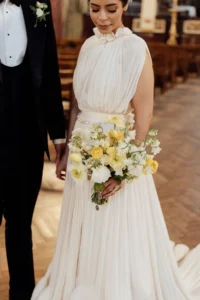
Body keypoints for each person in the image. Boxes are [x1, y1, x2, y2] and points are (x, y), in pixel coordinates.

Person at [31, 0, 200, 299]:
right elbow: (77, 106)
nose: (102, 17)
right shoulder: (88, 46)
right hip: (83, 151)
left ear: (125, 7)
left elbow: (144, 114)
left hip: (116, 152)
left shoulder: (135, 48)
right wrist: (68, 150)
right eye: (95, 9)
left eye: (111, 8)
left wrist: (126, 169)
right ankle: (81, 278)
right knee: (85, 222)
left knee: (113, 224)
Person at [0, 0, 66, 299]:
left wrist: (59, 137)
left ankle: (22, 294)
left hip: (26, 136)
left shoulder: (38, 7)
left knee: (20, 224)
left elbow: (49, 74)